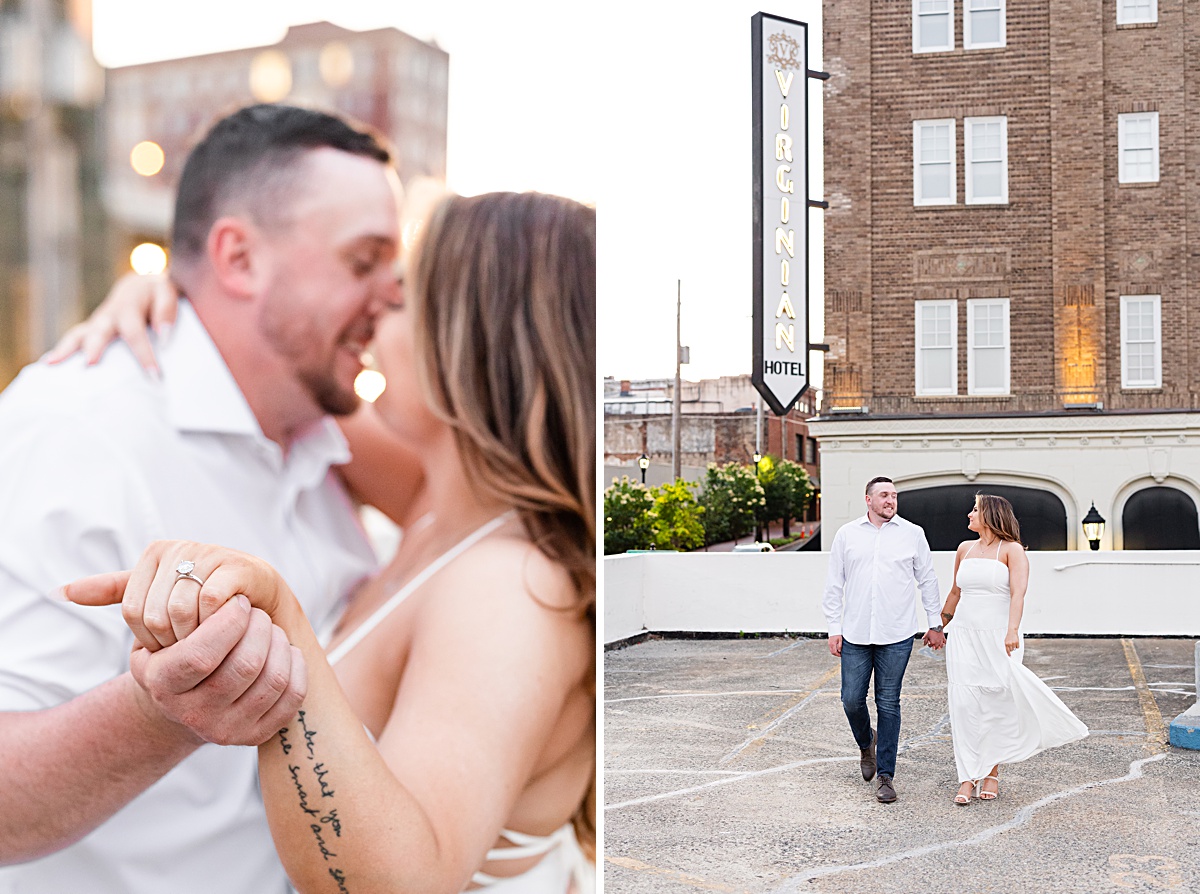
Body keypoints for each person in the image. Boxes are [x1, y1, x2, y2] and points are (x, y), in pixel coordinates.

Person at [63, 190, 597, 892]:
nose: (373, 314)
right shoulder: (438, 500)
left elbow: (400, 884)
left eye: (402, 298)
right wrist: (176, 305)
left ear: (477, 338)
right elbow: (259, 371)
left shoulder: (509, 586)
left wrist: (276, 619)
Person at [0, 104, 415, 892]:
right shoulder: (73, 432)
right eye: (363, 261)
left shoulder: (332, 439)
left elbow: (488, 492)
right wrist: (163, 714)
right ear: (239, 257)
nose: (391, 299)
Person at [940, 494, 1088, 805]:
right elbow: (955, 591)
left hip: (998, 636)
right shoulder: (964, 549)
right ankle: (967, 777)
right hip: (964, 635)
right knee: (966, 705)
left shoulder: (1013, 551)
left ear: (991, 515)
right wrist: (938, 625)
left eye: (976, 510)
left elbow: (1018, 595)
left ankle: (991, 772)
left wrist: (1011, 631)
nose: (969, 514)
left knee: (997, 703)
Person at [821, 476, 945, 803]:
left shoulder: (912, 534)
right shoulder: (847, 535)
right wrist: (834, 628)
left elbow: (928, 581)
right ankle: (867, 744)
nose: (891, 500)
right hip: (856, 634)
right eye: (884, 495)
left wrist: (935, 624)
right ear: (868, 500)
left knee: (888, 703)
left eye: (894, 495)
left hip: (897, 634)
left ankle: (886, 775)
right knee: (851, 699)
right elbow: (834, 585)